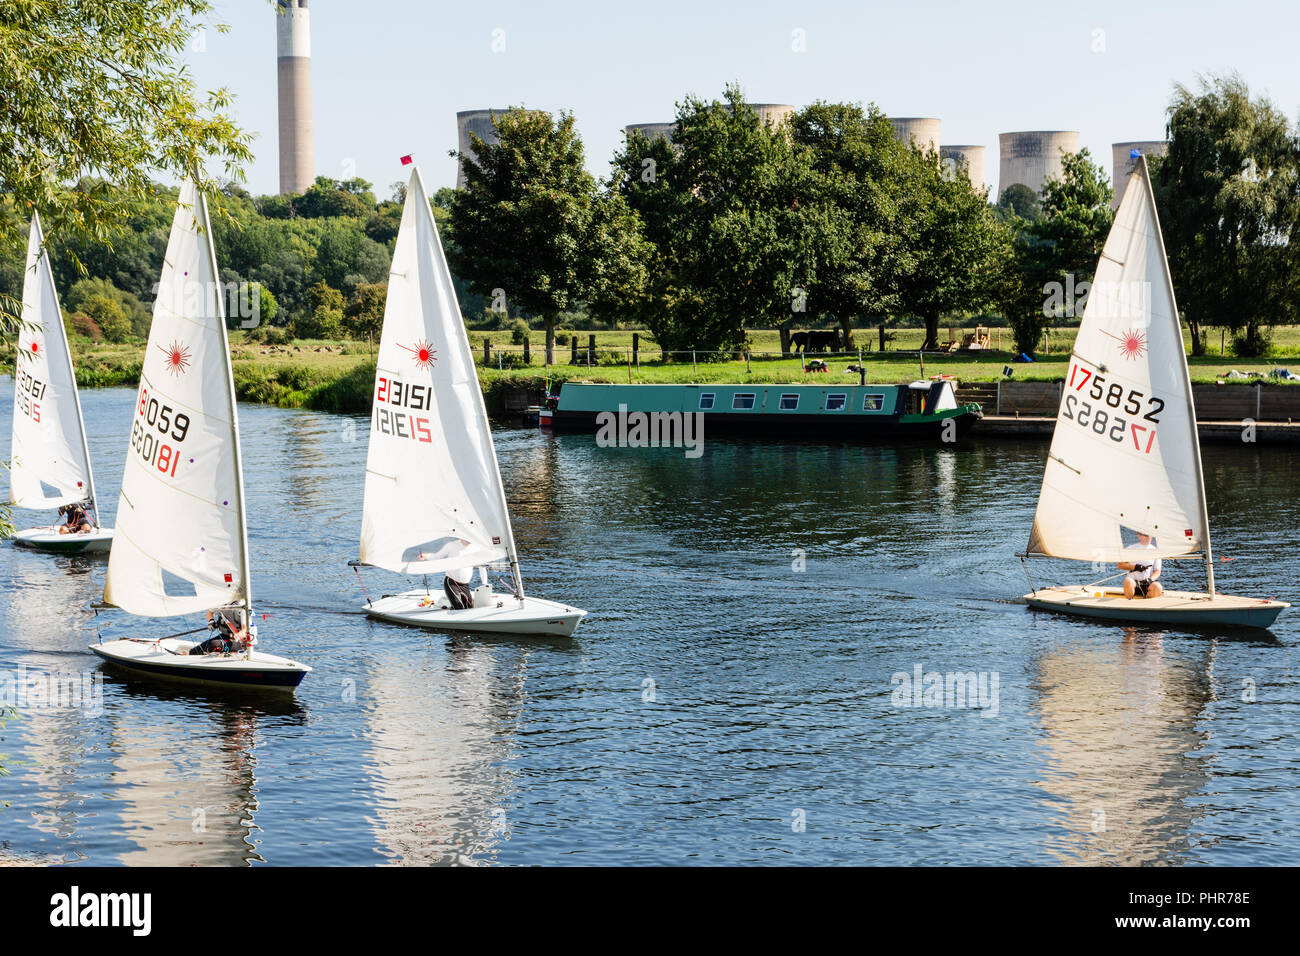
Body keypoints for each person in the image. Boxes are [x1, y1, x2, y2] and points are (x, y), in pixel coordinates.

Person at [1119, 532, 1164, 599]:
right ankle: (1129, 603)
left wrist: (1150, 580)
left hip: (1147, 584)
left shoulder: (1155, 551)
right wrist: (1135, 567)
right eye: (1146, 535)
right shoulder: (1131, 549)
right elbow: (1120, 565)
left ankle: (1147, 604)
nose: (1149, 537)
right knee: (1128, 581)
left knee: (1158, 587)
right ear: (1139, 536)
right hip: (1133, 582)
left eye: (1150, 535)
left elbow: (1157, 571)